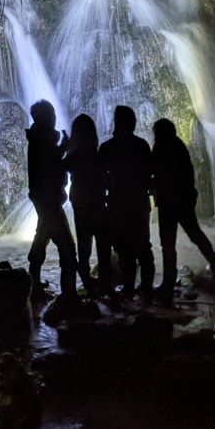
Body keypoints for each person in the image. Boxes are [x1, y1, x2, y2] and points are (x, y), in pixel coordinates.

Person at [151, 118, 215, 292]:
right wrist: (190, 193)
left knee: (168, 242)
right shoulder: (178, 145)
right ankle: (214, 265)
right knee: (195, 233)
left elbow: (156, 173)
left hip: (168, 201)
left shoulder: (160, 148)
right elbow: (188, 173)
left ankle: (168, 281)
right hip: (183, 200)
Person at [98, 105, 155, 300]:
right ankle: (146, 287)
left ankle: (130, 286)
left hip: (117, 203)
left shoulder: (107, 148)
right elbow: (150, 173)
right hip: (138, 202)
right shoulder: (141, 145)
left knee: (124, 247)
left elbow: (98, 176)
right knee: (141, 246)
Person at [25, 100, 79, 301]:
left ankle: (34, 286)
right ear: (45, 118)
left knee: (41, 239)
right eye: (52, 115)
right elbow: (52, 167)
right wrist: (65, 149)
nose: (55, 118)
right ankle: (69, 294)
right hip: (49, 200)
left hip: (42, 199)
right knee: (67, 247)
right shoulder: (43, 141)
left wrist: (61, 147)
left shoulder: (39, 139)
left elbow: (50, 163)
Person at [64, 113, 111, 295]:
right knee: (103, 245)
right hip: (98, 202)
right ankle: (105, 283)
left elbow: (60, 168)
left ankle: (86, 282)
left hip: (80, 204)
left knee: (84, 247)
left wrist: (65, 146)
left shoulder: (73, 156)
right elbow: (106, 178)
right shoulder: (98, 155)